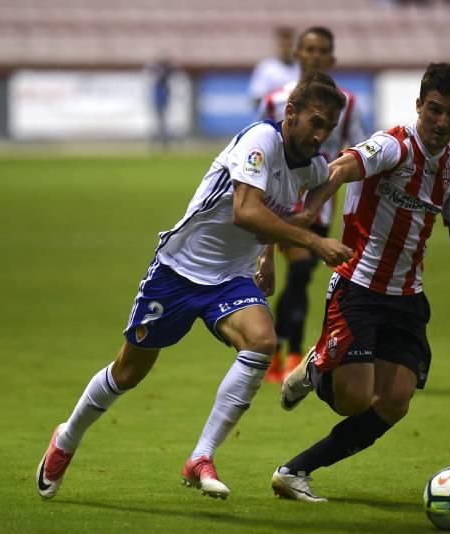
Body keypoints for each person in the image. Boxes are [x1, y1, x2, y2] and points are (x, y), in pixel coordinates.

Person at [36, 72, 351, 501]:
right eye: (315, 121)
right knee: (127, 372)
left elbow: (327, 178)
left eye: (328, 127)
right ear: (290, 113)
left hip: (231, 279)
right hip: (178, 270)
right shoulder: (261, 140)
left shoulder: (311, 166)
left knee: (261, 342)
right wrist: (313, 240)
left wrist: (270, 250)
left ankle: (201, 456)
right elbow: (246, 212)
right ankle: (67, 438)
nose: (320, 134)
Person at [272, 63, 450, 502]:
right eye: (435, 110)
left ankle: (296, 471)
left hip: (407, 296)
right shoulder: (392, 145)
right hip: (359, 287)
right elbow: (344, 166)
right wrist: (311, 213)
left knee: (394, 402)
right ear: (419, 105)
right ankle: (317, 368)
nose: (442, 122)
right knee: (353, 399)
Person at [257, 26, 370, 383]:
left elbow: (358, 154)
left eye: (323, 51)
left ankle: (278, 352)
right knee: (302, 271)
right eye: (309, 49)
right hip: (279, 204)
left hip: (319, 208)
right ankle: (290, 353)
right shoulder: (276, 99)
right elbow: (261, 150)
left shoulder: (348, 104)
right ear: (297, 55)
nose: (316, 56)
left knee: (300, 277)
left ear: (332, 59)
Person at [248, 26, 301, 110]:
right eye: (283, 42)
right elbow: (256, 99)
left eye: (289, 42)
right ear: (278, 43)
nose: (286, 45)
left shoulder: (302, 68)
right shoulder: (266, 67)